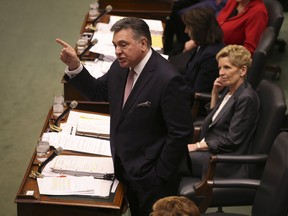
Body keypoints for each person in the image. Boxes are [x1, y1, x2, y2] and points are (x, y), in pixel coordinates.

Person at [56, 17, 194, 216]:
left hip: (152, 177)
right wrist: (75, 66)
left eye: (123, 44)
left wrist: (159, 175)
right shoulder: (120, 67)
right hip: (125, 166)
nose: (117, 51)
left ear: (143, 44)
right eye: (115, 45)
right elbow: (98, 92)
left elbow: (181, 133)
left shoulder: (168, 79)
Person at [187, 45, 260, 178]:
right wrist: (215, 93)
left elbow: (232, 140)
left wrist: (197, 146)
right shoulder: (230, 88)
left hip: (221, 160)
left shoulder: (246, 98)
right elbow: (215, 120)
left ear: (243, 70)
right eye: (220, 68)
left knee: (170, 159)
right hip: (210, 148)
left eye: (227, 67)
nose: (221, 72)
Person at [169, 7, 224, 113]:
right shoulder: (203, 46)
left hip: (194, 105)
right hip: (186, 94)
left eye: (189, 27)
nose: (185, 31)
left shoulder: (211, 56)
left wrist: (170, 86)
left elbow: (198, 92)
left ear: (199, 29)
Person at [184, 0, 268, 56]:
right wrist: (197, 41)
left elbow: (248, 51)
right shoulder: (234, 1)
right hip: (209, 46)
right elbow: (217, 24)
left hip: (223, 58)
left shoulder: (258, 12)